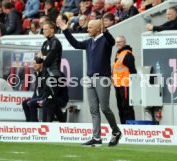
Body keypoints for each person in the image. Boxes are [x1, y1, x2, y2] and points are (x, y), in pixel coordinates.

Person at [57, 18, 122, 147]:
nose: (87, 29)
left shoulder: (105, 40)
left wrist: (106, 31)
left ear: (98, 29)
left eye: (90, 27)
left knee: (104, 108)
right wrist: (65, 30)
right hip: (89, 78)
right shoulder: (89, 42)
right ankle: (96, 137)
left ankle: (115, 131)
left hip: (102, 78)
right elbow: (75, 44)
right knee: (93, 109)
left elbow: (112, 41)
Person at [37, 21, 66, 122]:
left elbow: (48, 60)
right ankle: (63, 122)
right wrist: (42, 57)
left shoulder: (55, 42)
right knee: (51, 100)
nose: (43, 31)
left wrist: (42, 56)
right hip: (46, 75)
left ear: (52, 30)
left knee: (49, 100)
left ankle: (47, 126)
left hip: (54, 76)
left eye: (45, 29)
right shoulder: (45, 43)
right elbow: (38, 60)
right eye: (43, 29)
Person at [112, 36, 136, 124]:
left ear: (124, 42)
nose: (117, 44)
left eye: (120, 42)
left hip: (125, 85)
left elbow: (133, 71)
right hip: (118, 85)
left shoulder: (127, 54)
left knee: (127, 107)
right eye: (116, 42)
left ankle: (130, 127)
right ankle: (123, 126)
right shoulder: (118, 54)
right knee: (120, 107)